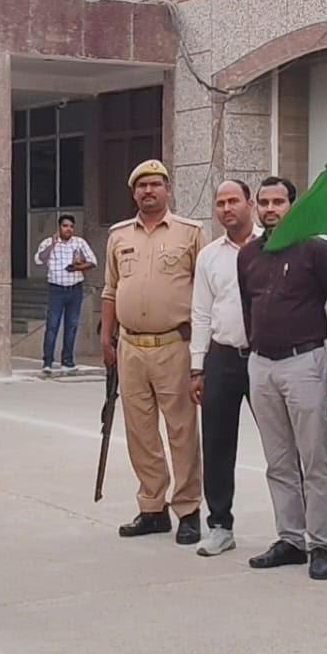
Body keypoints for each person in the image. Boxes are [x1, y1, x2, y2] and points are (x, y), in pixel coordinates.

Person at [238, 176, 327, 581]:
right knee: (278, 460)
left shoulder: (316, 250)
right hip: (261, 365)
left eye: (278, 202)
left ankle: (320, 543)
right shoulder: (248, 255)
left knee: (313, 459)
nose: (270, 209)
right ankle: (290, 539)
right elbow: (248, 307)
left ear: (293, 205)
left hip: (305, 362)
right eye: (264, 202)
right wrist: (253, 353)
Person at [101, 160, 207, 544]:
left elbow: (205, 293)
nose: (149, 191)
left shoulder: (191, 233)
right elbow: (110, 290)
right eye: (142, 185)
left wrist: (201, 351)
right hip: (130, 347)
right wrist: (106, 338)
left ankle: (189, 509)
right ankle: (152, 508)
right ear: (134, 193)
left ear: (167, 190)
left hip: (174, 345)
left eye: (156, 185)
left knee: (181, 430)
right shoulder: (118, 236)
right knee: (140, 433)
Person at [190, 180, 258, 557]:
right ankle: (219, 525)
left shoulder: (272, 245)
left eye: (234, 201)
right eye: (220, 203)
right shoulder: (210, 256)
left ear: (250, 203)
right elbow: (200, 311)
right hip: (223, 357)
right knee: (216, 443)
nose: (227, 208)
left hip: (266, 357)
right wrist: (197, 367)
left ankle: (297, 530)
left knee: (283, 444)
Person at [34, 214, 98, 376]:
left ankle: (67, 361)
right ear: (59, 227)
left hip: (75, 289)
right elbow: (39, 260)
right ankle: (47, 362)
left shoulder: (79, 243)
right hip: (56, 289)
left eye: (71, 226)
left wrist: (77, 267)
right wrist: (52, 246)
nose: (68, 229)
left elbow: (93, 262)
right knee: (52, 326)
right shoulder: (49, 242)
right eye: (65, 226)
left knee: (72, 326)